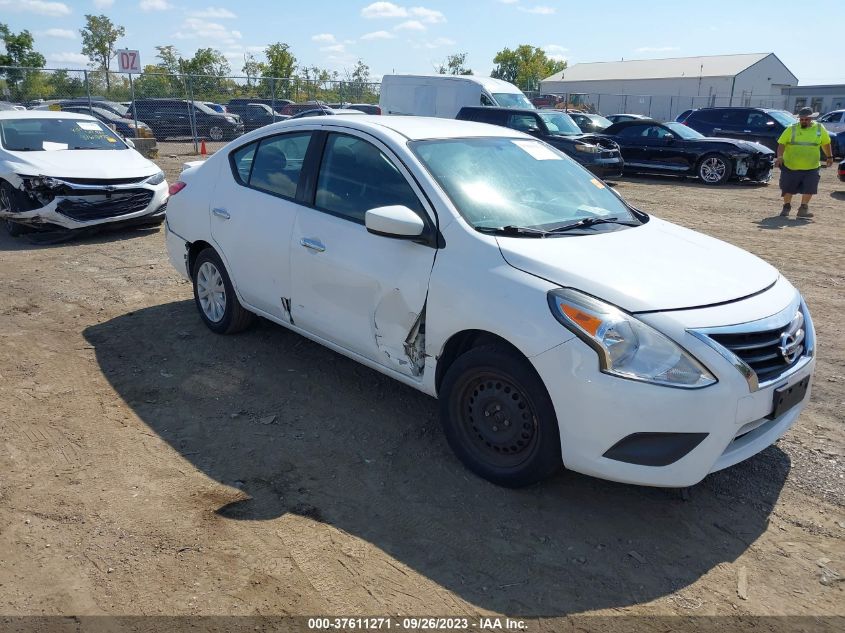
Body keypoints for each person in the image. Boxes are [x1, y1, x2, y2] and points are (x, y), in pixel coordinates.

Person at [776, 106, 834, 218]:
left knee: (810, 187)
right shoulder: (791, 129)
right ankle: (786, 207)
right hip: (791, 166)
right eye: (802, 119)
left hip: (812, 166)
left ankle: (803, 209)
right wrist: (780, 157)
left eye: (806, 119)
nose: (804, 121)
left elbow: (826, 143)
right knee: (788, 188)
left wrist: (829, 157)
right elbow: (781, 144)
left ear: (811, 119)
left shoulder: (819, 128)